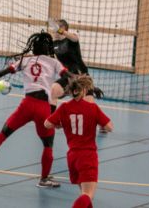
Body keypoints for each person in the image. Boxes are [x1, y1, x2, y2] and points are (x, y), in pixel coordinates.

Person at [0, 31, 70, 187]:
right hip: (43, 107)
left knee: (4, 132)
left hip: (27, 104)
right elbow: (68, 75)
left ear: (33, 47)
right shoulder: (54, 62)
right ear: (48, 48)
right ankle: (44, 179)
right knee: (47, 145)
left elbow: (3, 72)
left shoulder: (25, 60)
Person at [44, 75, 114, 207]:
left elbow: (47, 124)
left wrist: (59, 124)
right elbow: (109, 127)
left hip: (72, 157)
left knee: (84, 195)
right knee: (87, 195)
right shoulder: (92, 108)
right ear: (83, 90)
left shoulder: (64, 108)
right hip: (87, 156)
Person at [49, 19, 105, 132]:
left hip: (81, 75)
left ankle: (103, 124)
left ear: (63, 28)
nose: (54, 30)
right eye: (54, 28)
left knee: (89, 105)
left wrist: (61, 31)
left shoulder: (71, 40)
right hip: (67, 76)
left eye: (57, 27)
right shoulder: (53, 44)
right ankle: (52, 121)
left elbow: (75, 38)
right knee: (54, 90)